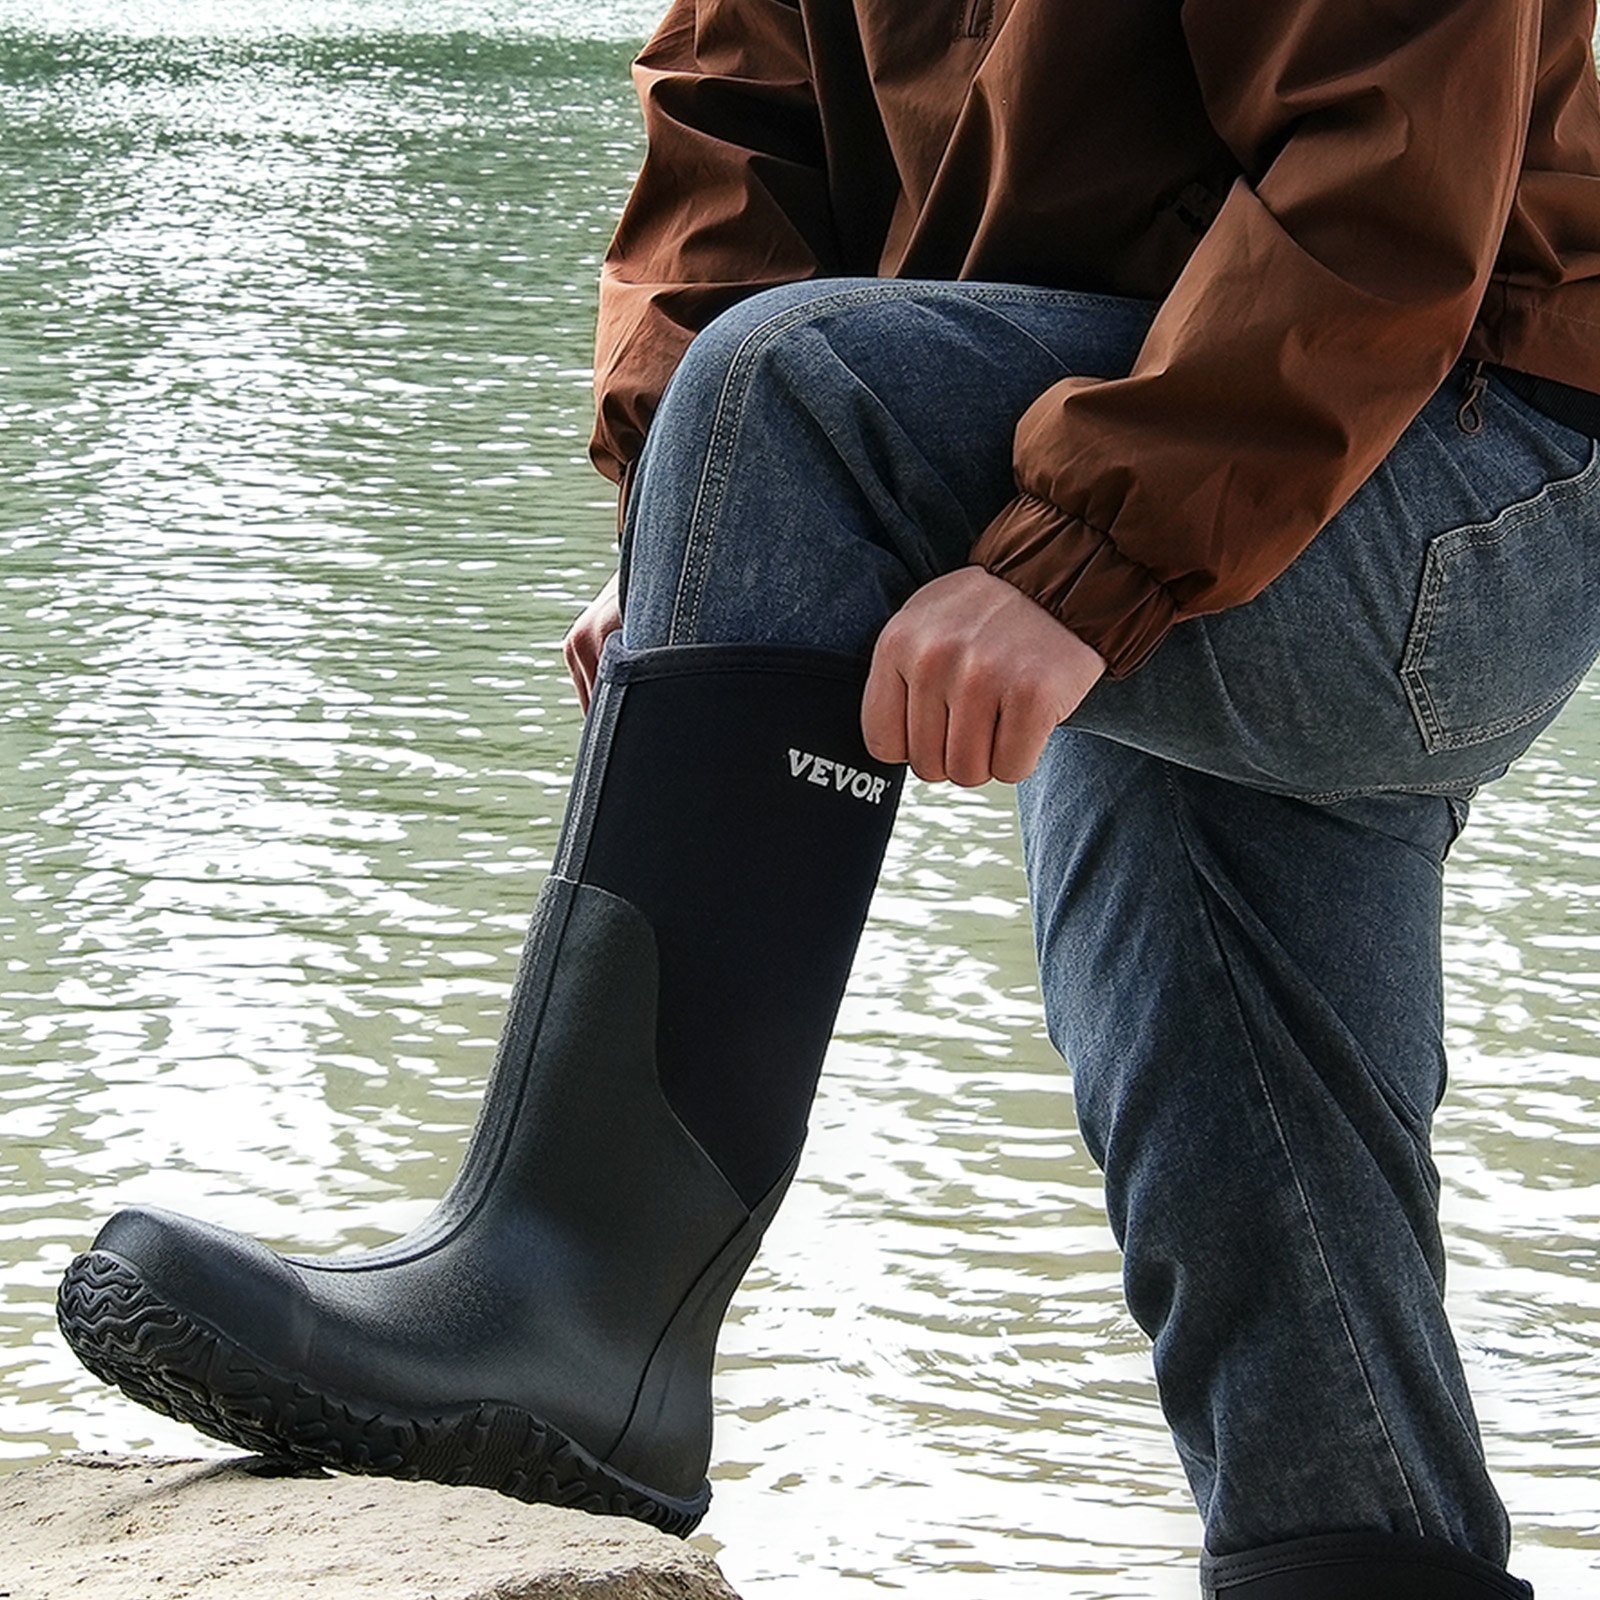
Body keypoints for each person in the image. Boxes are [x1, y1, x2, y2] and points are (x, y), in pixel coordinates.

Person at [57, 1, 1600, 1595]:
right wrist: (700, 538)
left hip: (1440, 465)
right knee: (1242, 1133)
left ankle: (578, 1323)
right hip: (1163, 424)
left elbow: (1386, 176)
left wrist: (1090, 558)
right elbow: (739, 119)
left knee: (799, 391)